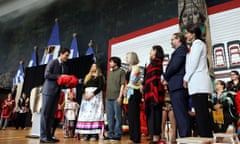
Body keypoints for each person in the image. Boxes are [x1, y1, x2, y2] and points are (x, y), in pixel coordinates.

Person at [183, 24, 213, 137]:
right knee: (201, 115)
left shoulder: (198, 44)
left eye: (187, 33)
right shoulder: (194, 45)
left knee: (202, 115)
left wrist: (186, 78)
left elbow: (193, 64)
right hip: (197, 84)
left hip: (199, 84)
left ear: (193, 34)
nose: (185, 35)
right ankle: (206, 137)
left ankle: (207, 137)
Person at [163, 32, 191, 137]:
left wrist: (165, 76)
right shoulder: (178, 51)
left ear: (179, 39)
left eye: (173, 39)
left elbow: (174, 66)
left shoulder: (181, 50)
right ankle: (184, 137)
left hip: (178, 86)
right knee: (179, 114)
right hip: (175, 86)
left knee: (181, 114)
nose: (171, 42)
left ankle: (185, 138)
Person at [40, 48, 70, 143]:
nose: (67, 57)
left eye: (68, 55)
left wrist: (67, 83)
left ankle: (49, 136)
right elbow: (47, 75)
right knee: (45, 114)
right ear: (60, 54)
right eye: (66, 55)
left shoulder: (64, 66)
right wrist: (59, 76)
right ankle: (43, 136)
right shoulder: (52, 62)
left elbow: (62, 81)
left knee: (51, 115)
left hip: (57, 92)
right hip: (48, 91)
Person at [75, 63, 105, 141]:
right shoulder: (87, 76)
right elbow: (82, 87)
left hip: (95, 97)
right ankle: (86, 133)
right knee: (86, 115)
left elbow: (100, 87)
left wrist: (92, 94)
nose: (93, 67)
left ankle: (94, 134)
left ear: (97, 68)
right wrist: (84, 94)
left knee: (94, 115)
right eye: (92, 66)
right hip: (86, 98)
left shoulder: (100, 76)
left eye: (94, 66)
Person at [143, 45, 165, 144]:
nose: (150, 51)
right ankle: (153, 137)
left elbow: (155, 78)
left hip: (155, 92)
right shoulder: (150, 64)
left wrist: (154, 92)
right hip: (149, 93)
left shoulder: (157, 63)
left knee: (156, 115)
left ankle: (156, 138)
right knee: (151, 115)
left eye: (152, 50)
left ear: (156, 51)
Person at [105, 57, 125, 141]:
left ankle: (117, 134)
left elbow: (122, 84)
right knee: (109, 117)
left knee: (118, 116)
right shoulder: (110, 72)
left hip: (117, 97)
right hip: (108, 97)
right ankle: (110, 133)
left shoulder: (121, 71)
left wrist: (120, 96)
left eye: (111, 62)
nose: (110, 63)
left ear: (116, 63)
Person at [124, 52, 142, 143]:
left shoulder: (136, 68)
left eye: (127, 57)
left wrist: (127, 87)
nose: (126, 58)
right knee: (130, 116)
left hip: (134, 93)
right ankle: (132, 136)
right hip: (130, 93)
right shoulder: (129, 69)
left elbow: (134, 81)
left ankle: (136, 137)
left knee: (134, 116)